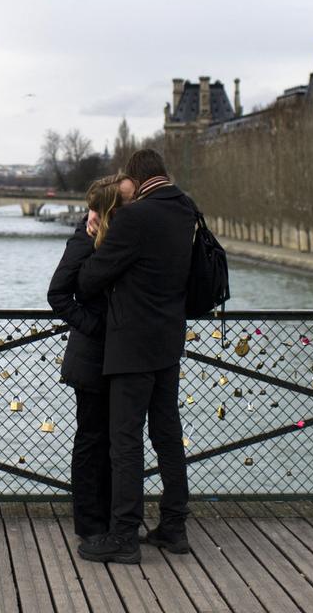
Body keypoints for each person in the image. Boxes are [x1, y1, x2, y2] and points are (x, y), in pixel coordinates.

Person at [74, 149, 195, 564]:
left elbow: (89, 280)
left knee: (124, 442)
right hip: (169, 341)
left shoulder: (134, 217)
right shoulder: (187, 209)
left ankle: (124, 534)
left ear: (137, 180)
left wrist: (94, 235)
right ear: (164, 174)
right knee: (167, 437)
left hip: (130, 347)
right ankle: (174, 526)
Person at [46, 175, 125, 540]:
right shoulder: (84, 240)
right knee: (92, 440)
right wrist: (92, 326)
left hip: (116, 356)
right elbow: (57, 293)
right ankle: (90, 522)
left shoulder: (111, 239)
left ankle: (108, 518)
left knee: (111, 440)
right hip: (92, 358)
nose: (90, 213)